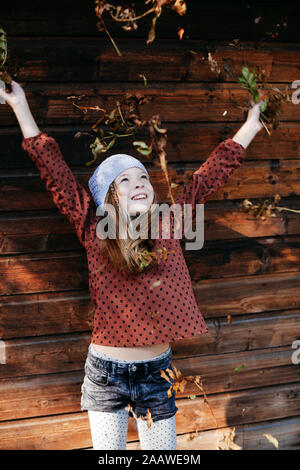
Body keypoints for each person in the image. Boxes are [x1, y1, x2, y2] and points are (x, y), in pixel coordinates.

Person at [0, 80, 264, 450]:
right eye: (124, 180)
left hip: (158, 373)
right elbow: (54, 171)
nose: (139, 182)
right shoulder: (94, 230)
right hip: (106, 374)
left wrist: (252, 123)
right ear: (108, 198)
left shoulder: (170, 222)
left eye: (143, 176)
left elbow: (208, 178)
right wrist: (19, 106)